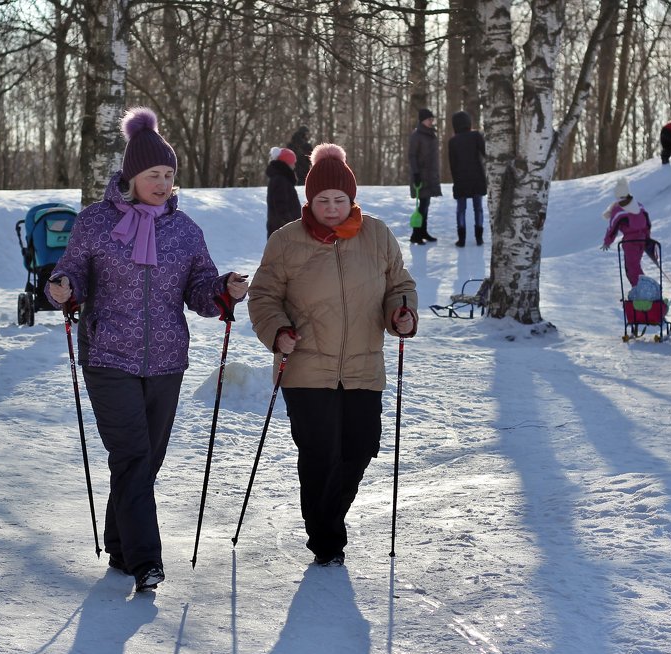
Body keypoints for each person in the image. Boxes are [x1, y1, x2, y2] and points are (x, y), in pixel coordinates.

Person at [44, 107, 248, 592]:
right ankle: (146, 562)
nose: (162, 182)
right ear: (131, 177)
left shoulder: (185, 230)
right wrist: (63, 288)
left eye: (169, 175)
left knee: (145, 462)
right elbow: (72, 273)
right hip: (108, 357)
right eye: (153, 174)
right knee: (133, 455)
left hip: (166, 361)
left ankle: (119, 544)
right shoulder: (94, 223)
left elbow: (200, 290)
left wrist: (225, 289)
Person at [247, 142, 418, 567]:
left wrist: (402, 313)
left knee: (361, 447)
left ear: (352, 198)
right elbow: (263, 296)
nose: (331, 208)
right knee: (320, 452)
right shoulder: (286, 241)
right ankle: (327, 539)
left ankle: (327, 520)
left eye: (339, 199)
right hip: (305, 366)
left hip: (363, 364)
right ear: (309, 199)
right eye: (322, 200)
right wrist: (278, 332)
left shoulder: (377, 235)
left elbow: (400, 284)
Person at [601, 176, 656, 287]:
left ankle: (643, 291)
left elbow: (612, 228)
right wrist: (647, 237)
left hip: (630, 242)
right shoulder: (639, 205)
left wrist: (607, 241)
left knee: (631, 268)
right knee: (635, 265)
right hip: (641, 239)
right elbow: (647, 223)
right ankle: (642, 290)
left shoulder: (618, 209)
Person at [447, 110, 487, 247]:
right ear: (468, 123)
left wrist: (456, 180)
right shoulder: (476, 136)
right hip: (477, 178)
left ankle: (461, 239)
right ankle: (479, 238)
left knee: (461, 209)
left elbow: (452, 165)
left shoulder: (452, 141)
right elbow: (485, 153)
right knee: (478, 208)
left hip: (460, 179)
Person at [408, 107, 442, 244]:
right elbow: (412, 156)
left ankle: (423, 231)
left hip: (430, 176)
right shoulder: (416, 135)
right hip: (421, 176)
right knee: (422, 206)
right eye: (429, 119)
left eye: (432, 119)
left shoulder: (430, 134)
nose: (431, 121)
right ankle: (416, 234)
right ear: (422, 120)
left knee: (426, 204)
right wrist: (416, 173)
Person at [265, 146, 301, 238]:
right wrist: (290, 225)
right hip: (282, 232)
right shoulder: (280, 180)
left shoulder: (282, 179)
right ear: (286, 163)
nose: (294, 165)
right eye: (293, 162)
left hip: (282, 231)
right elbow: (280, 206)